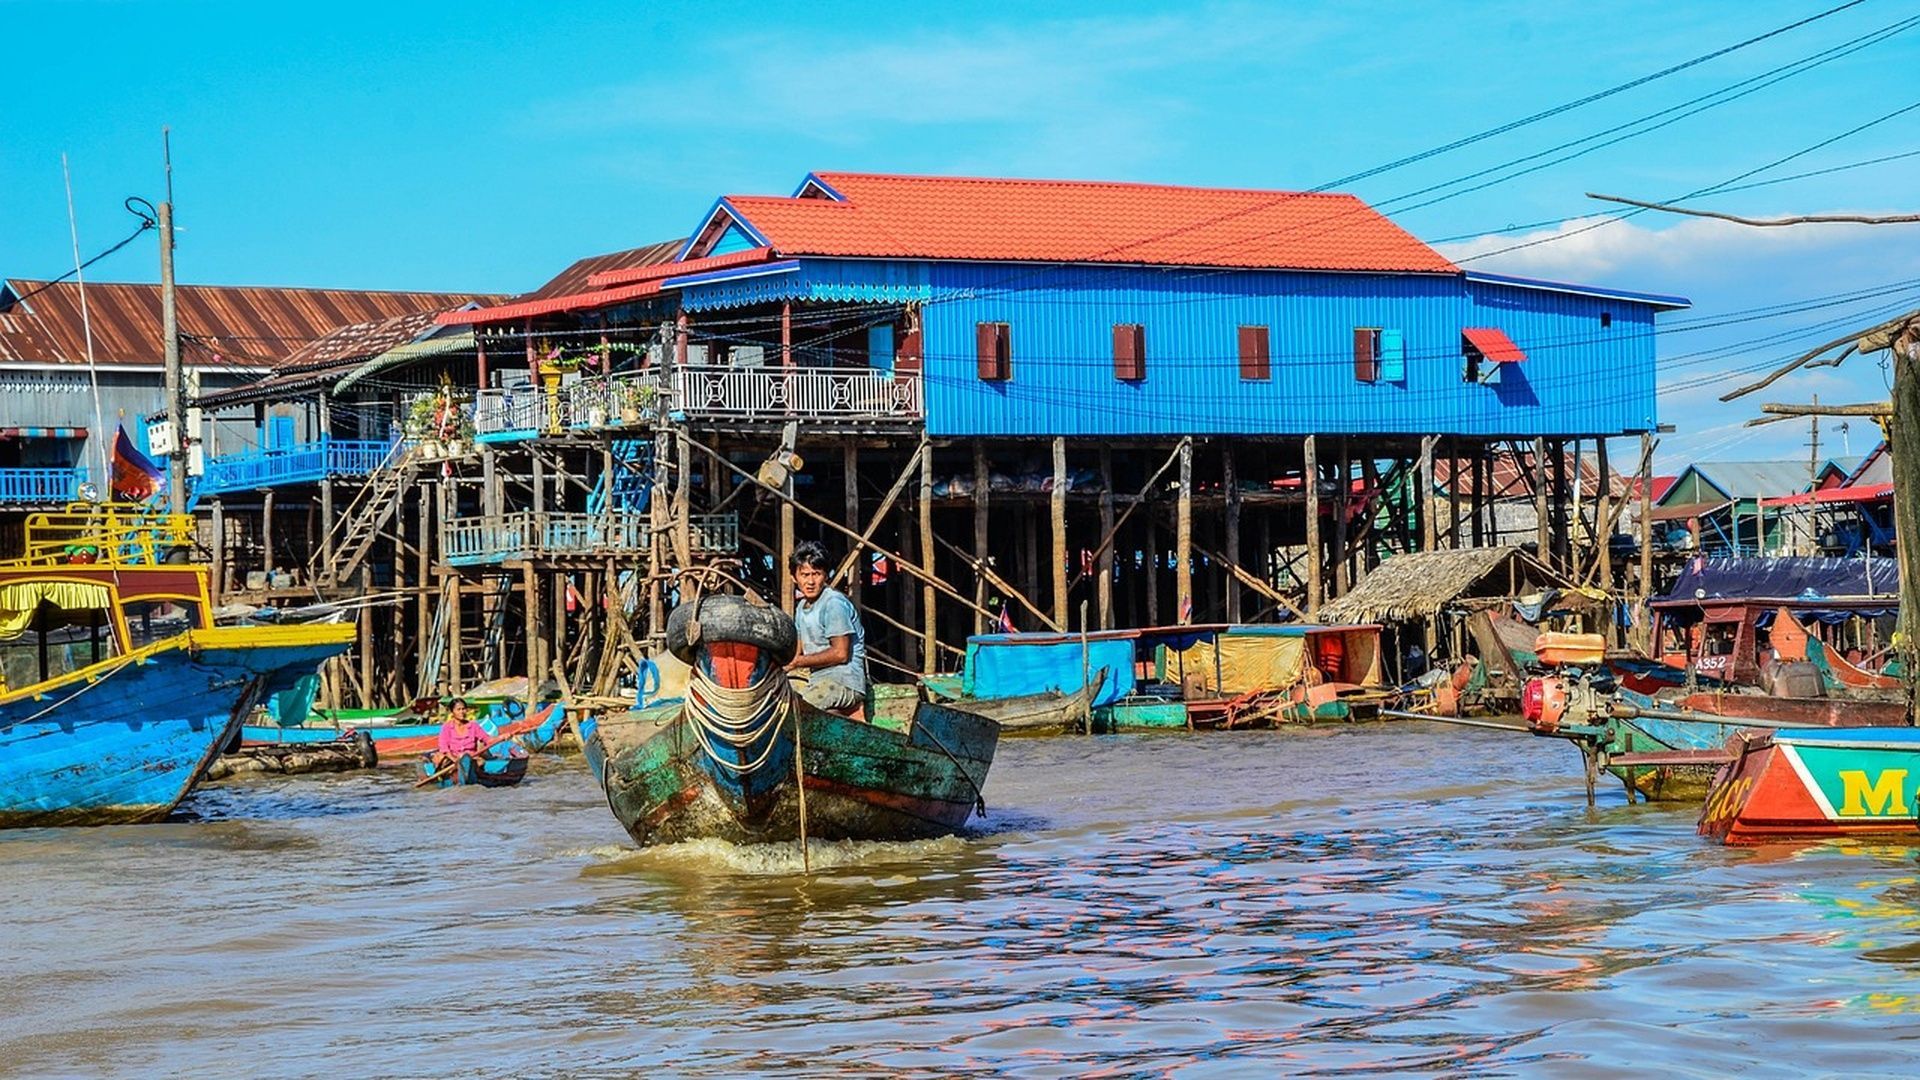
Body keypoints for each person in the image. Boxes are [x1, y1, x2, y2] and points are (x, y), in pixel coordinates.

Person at [786, 541, 868, 714]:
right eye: (805, 575)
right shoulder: (801, 608)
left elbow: (840, 654)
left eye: (816, 574)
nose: (810, 581)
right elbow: (797, 651)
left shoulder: (833, 603)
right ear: (794, 577)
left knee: (794, 710)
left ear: (826, 576)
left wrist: (797, 662)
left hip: (844, 682)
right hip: (818, 681)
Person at [433, 697, 491, 772]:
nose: (462, 712)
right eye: (458, 709)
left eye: (463, 709)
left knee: (480, 763)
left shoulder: (473, 726)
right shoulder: (446, 727)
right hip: (452, 759)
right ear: (452, 712)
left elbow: (487, 739)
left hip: (471, 759)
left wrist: (501, 737)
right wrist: (455, 760)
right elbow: (444, 748)